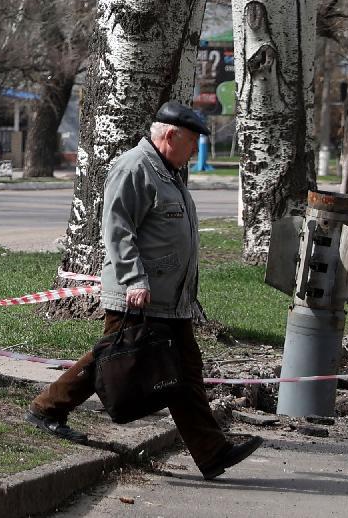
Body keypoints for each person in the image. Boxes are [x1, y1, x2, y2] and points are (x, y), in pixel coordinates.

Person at [24, 101, 263, 480]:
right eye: (192, 143)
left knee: (184, 373)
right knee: (112, 359)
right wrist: (134, 279)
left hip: (170, 299)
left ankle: (212, 452)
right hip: (140, 294)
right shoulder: (135, 167)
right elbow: (117, 229)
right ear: (170, 136)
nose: (194, 151)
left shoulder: (167, 171)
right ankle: (46, 408)